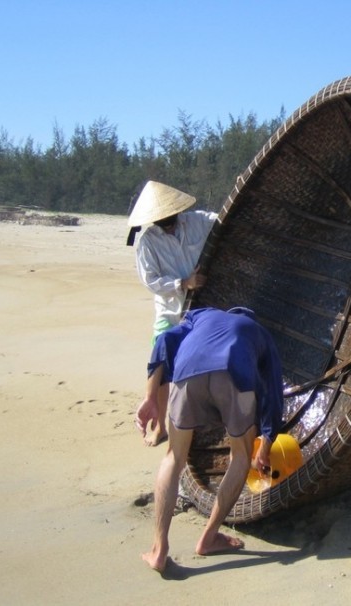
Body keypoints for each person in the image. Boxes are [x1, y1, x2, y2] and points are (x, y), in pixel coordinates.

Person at [135, 306, 284, 573]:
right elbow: (272, 390)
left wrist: (149, 397)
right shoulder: (260, 333)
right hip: (234, 373)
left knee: (174, 457)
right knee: (241, 456)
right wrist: (267, 440)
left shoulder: (199, 315)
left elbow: (163, 341)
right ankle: (209, 536)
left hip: (187, 371)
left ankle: (159, 549)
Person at [127, 180, 217, 445]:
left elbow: (225, 220)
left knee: (205, 367)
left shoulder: (198, 222)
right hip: (170, 310)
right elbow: (151, 281)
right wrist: (182, 283)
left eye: (170, 217)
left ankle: (204, 421)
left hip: (203, 309)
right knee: (161, 363)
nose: (168, 223)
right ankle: (159, 423)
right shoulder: (148, 243)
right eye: (161, 220)